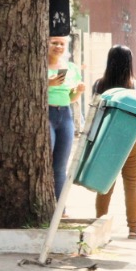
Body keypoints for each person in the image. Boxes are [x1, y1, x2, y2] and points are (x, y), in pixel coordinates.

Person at [90, 44, 136, 238]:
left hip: (106, 141)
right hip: (132, 142)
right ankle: (133, 228)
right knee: (132, 185)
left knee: (105, 184)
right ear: (130, 63)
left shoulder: (99, 85)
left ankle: (99, 226)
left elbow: (95, 112)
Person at [45, 35, 85, 199]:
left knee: (60, 166)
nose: (58, 47)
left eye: (62, 44)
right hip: (46, 113)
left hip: (65, 115)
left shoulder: (71, 68)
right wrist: (48, 83)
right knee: (45, 159)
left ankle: (60, 208)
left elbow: (71, 98)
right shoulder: (38, 65)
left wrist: (79, 91)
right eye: (54, 43)